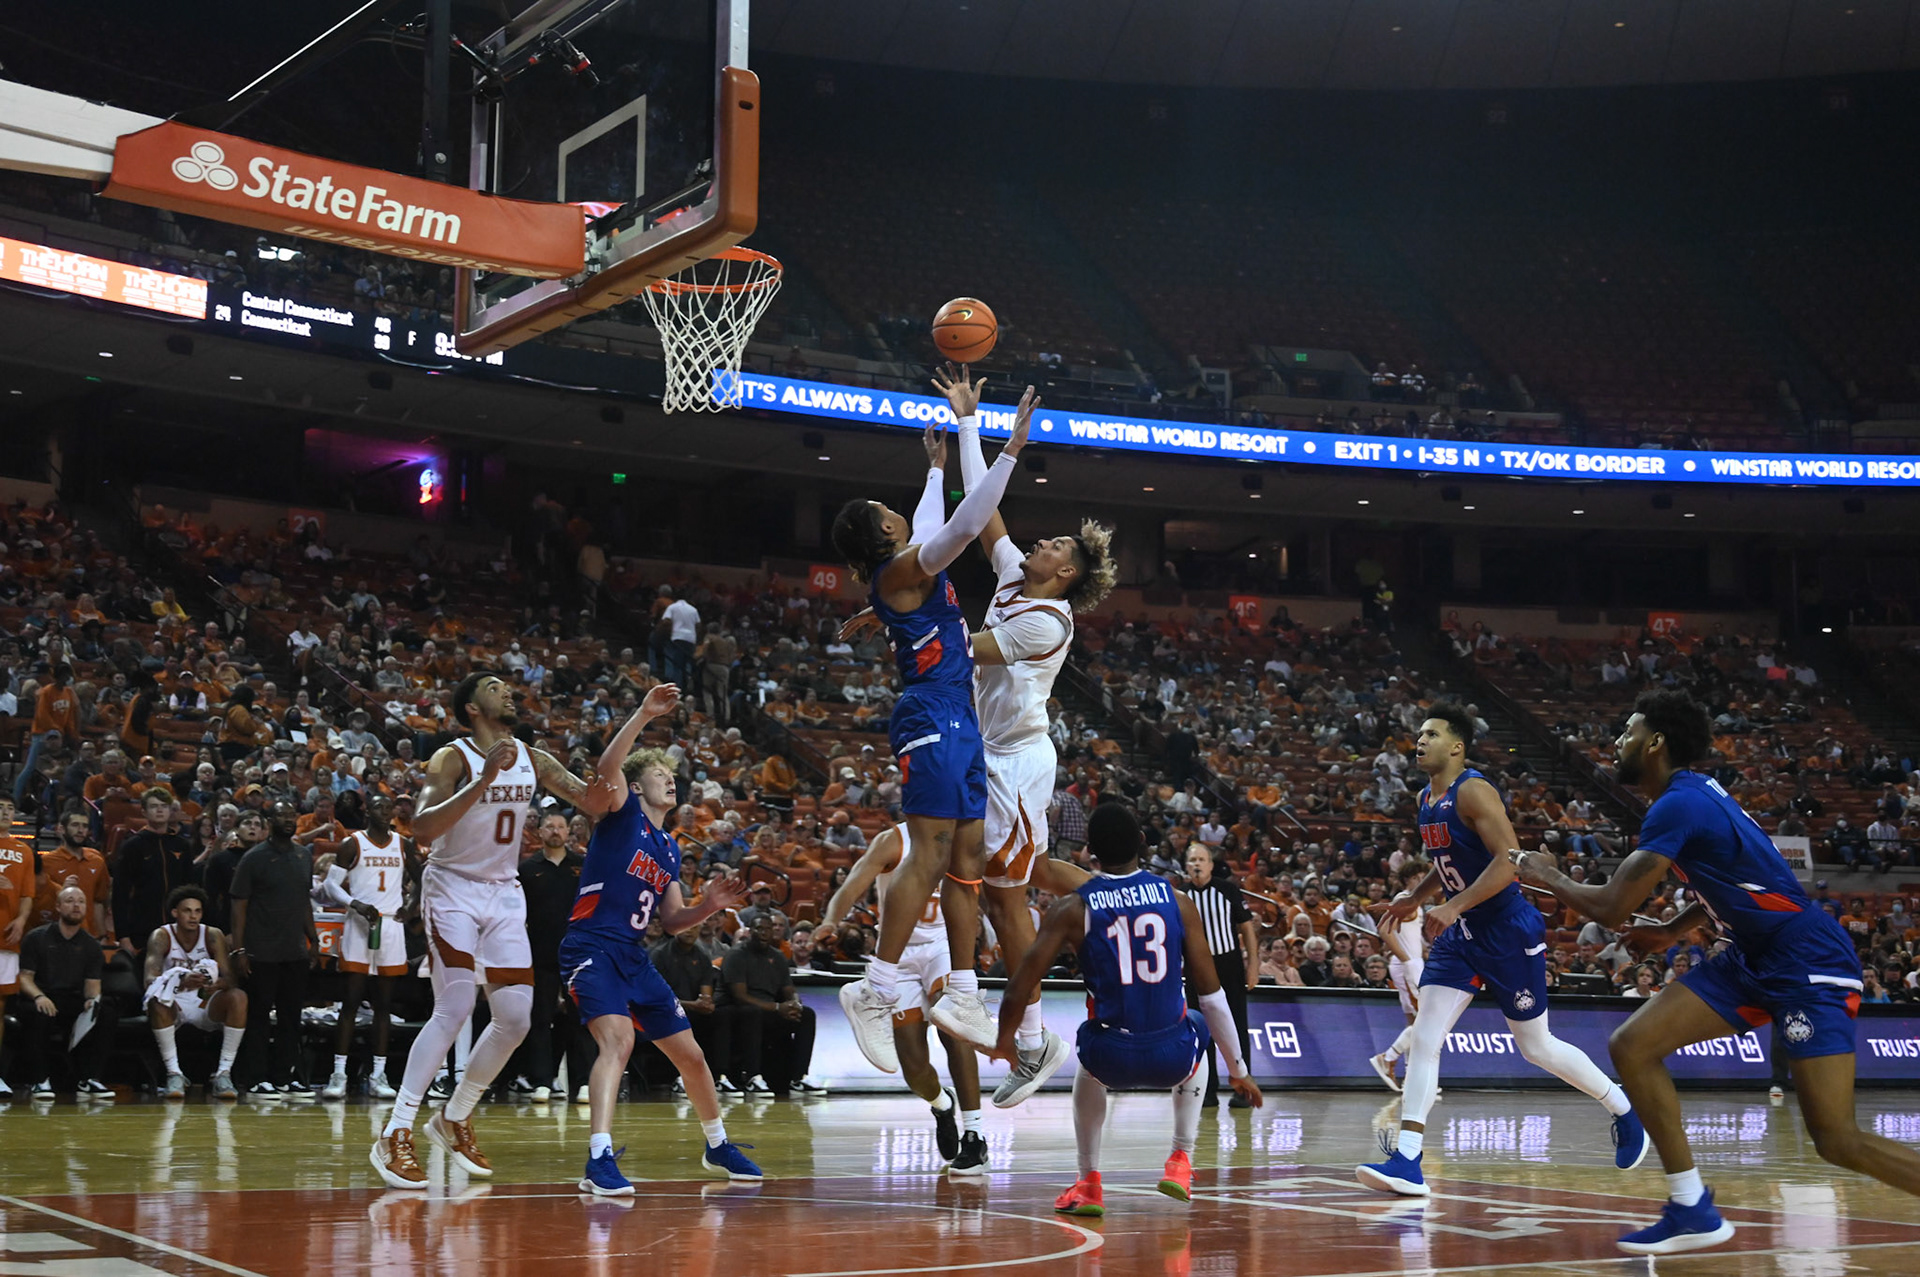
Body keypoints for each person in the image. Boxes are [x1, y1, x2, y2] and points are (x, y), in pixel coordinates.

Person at [1516, 690, 1920, 1255]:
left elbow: (1609, 906)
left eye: (1627, 731)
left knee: (1835, 1138)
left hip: (1805, 960)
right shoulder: (1694, 794)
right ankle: (1692, 1208)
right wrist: (1673, 929)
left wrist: (1546, 875)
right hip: (1751, 953)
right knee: (1633, 1045)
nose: (1617, 742)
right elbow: (1736, 873)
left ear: (1655, 742)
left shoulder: (1676, 805)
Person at [1357, 701, 1645, 1198]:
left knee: (1536, 1048)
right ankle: (1408, 1159)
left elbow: (1510, 863)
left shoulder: (1474, 790)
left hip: (1508, 929)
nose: (1419, 741)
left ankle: (1623, 1110)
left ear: (1456, 745)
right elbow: (1449, 861)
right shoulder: (1428, 798)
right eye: (1418, 734)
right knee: (1426, 1037)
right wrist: (1419, 898)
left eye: (1430, 733)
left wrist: (1452, 906)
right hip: (1463, 934)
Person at [832, 391, 1031, 1075]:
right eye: (884, 511)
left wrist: (932, 470)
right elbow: (965, 526)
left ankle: (965, 991)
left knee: (968, 855)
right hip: (932, 713)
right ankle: (875, 987)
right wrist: (1006, 451)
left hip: (958, 712)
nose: (895, 512)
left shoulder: (905, 564)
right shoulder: (900, 571)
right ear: (875, 533)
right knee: (931, 847)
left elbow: (933, 526)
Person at [939, 364, 1117, 1103]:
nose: (1034, 543)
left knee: (1005, 893)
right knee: (1010, 883)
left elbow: (965, 647)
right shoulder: (1019, 577)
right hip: (994, 750)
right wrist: (973, 426)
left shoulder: (1047, 619)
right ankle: (1115, 907)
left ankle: (1034, 1038)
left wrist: (905, 600)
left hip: (1016, 761)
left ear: (1065, 571)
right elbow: (986, 517)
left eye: (1049, 545)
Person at [372, 670, 611, 1190]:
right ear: (473, 708)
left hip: (502, 893)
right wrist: (483, 781)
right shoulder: (452, 757)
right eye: (494, 687)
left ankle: (454, 1116)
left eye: (508, 685)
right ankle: (395, 1130)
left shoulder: (535, 758)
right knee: (455, 1007)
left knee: (516, 1017)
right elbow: (422, 828)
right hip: (452, 887)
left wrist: (637, 728)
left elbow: (593, 802)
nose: (507, 691)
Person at [993, 803, 1262, 1217]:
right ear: (1142, 841)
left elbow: (1019, 988)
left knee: (1086, 1058)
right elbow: (1212, 997)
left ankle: (1089, 1182)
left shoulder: (1072, 908)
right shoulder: (1178, 901)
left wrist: (1004, 1045)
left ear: (1089, 851)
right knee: (1195, 1024)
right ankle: (1180, 1160)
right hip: (1171, 1056)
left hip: (1109, 1056)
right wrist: (1240, 1072)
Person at [561, 687, 758, 1196]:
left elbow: (671, 921)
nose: (670, 779)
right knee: (619, 1040)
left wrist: (710, 905)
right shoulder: (620, 811)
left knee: (691, 1055)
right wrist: (645, 715)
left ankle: (717, 1143)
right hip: (590, 946)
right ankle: (599, 1158)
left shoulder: (668, 847)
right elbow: (608, 765)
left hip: (632, 953)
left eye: (672, 775)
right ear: (635, 785)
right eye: (658, 774)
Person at [827, 823, 996, 1174]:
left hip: (944, 944)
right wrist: (830, 919)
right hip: (898, 953)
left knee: (956, 1027)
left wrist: (995, 929)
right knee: (913, 1066)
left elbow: (987, 890)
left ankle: (975, 1135)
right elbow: (853, 883)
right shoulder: (893, 840)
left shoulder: (965, 837)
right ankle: (941, 1104)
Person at [319, 794, 412, 1100]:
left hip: (390, 927)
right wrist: (353, 903)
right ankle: (338, 1074)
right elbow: (330, 886)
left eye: (389, 808)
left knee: (384, 1006)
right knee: (351, 1002)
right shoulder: (353, 843)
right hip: (360, 925)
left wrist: (411, 907)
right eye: (379, 807)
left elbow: (425, 878)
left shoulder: (403, 843)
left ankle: (379, 1075)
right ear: (367, 812)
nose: (386, 812)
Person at [229, 799, 319, 1096]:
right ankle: (256, 1077)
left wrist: (314, 939)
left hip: (293, 950)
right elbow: (238, 907)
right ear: (269, 822)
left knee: (292, 1017)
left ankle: (285, 1075)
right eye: (282, 814)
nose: (289, 819)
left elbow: (304, 901)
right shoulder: (254, 858)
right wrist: (239, 950)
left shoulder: (303, 856)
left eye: (292, 814)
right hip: (261, 950)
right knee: (259, 1016)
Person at [143, 885, 246, 1100]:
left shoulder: (212, 935)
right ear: (175, 913)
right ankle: (174, 1074)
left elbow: (230, 979)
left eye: (197, 911)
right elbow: (149, 980)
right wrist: (181, 978)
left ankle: (223, 1074)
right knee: (156, 1000)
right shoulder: (161, 936)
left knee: (238, 997)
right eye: (187, 911)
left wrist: (216, 984)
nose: (193, 916)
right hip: (175, 1003)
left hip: (204, 1001)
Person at [514, 812, 587, 1103]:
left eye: (560, 827)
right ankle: (542, 1080)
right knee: (540, 1018)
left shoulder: (583, 866)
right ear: (540, 832)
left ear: (569, 832)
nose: (555, 831)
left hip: (577, 956)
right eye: (550, 827)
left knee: (581, 1020)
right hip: (540, 954)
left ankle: (582, 1082)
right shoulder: (526, 869)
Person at [18, 885, 117, 1099]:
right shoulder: (36, 938)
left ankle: (89, 1079)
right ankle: (40, 1080)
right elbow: (25, 977)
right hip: (43, 997)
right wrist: (39, 996)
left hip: (73, 1000)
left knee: (105, 1011)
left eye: (81, 901)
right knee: (38, 1014)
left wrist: (92, 1000)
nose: (76, 905)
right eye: (70, 900)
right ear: (58, 906)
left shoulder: (91, 945)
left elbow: (93, 984)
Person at [1181, 842, 1259, 1108]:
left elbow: (1247, 928)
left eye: (1202, 859)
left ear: (1211, 865)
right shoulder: (1180, 895)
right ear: (1186, 866)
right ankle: (1207, 1089)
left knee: (1236, 1026)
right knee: (1200, 1028)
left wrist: (1254, 965)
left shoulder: (1228, 890)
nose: (1197, 864)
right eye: (1192, 860)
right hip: (1194, 967)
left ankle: (1241, 1089)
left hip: (1229, 965)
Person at [721, 914, 818, 1099]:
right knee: (753, 1013)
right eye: (759, 928)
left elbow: (789, 989)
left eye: (768, 929)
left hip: (770, 1010)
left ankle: (798, 1078)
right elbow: (739, 996)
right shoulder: (736, 954)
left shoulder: (778, 956)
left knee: (807, 1015)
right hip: (738, 1010)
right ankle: (753, 1078)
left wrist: (794, 1004)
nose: (764, 933)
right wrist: (776, 1008)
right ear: (750, 931)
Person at [112, 788, 199, 963]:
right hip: (142, 929)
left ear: (170, 810)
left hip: (178, 929)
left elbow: (191, 889)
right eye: (154, 806)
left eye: (163, 806)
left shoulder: (182, 845)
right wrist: (123, 935)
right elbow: (120, 893)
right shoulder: (132, 846)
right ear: (144, 811)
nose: (159, 810)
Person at [1368, 861, 1431, 1092]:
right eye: (1420, 877)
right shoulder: (1405, 899)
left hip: (1410, 963)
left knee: (1415, 1023)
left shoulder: (1413, 901)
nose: (1424, 881)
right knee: (1426, 1021)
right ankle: (1388, 1057)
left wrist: (1420, 951)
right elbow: (1383, 930)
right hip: (1408, 966)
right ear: (1409, 878)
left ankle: (1412, 1081)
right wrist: (1407, 959)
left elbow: (1407, 934)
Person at [0, 800, 33, 1099]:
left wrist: (22, 920)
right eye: (0, 807)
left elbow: (26, 894)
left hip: (6, 939)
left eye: (11, 807)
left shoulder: (24, 851)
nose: (6, 812)